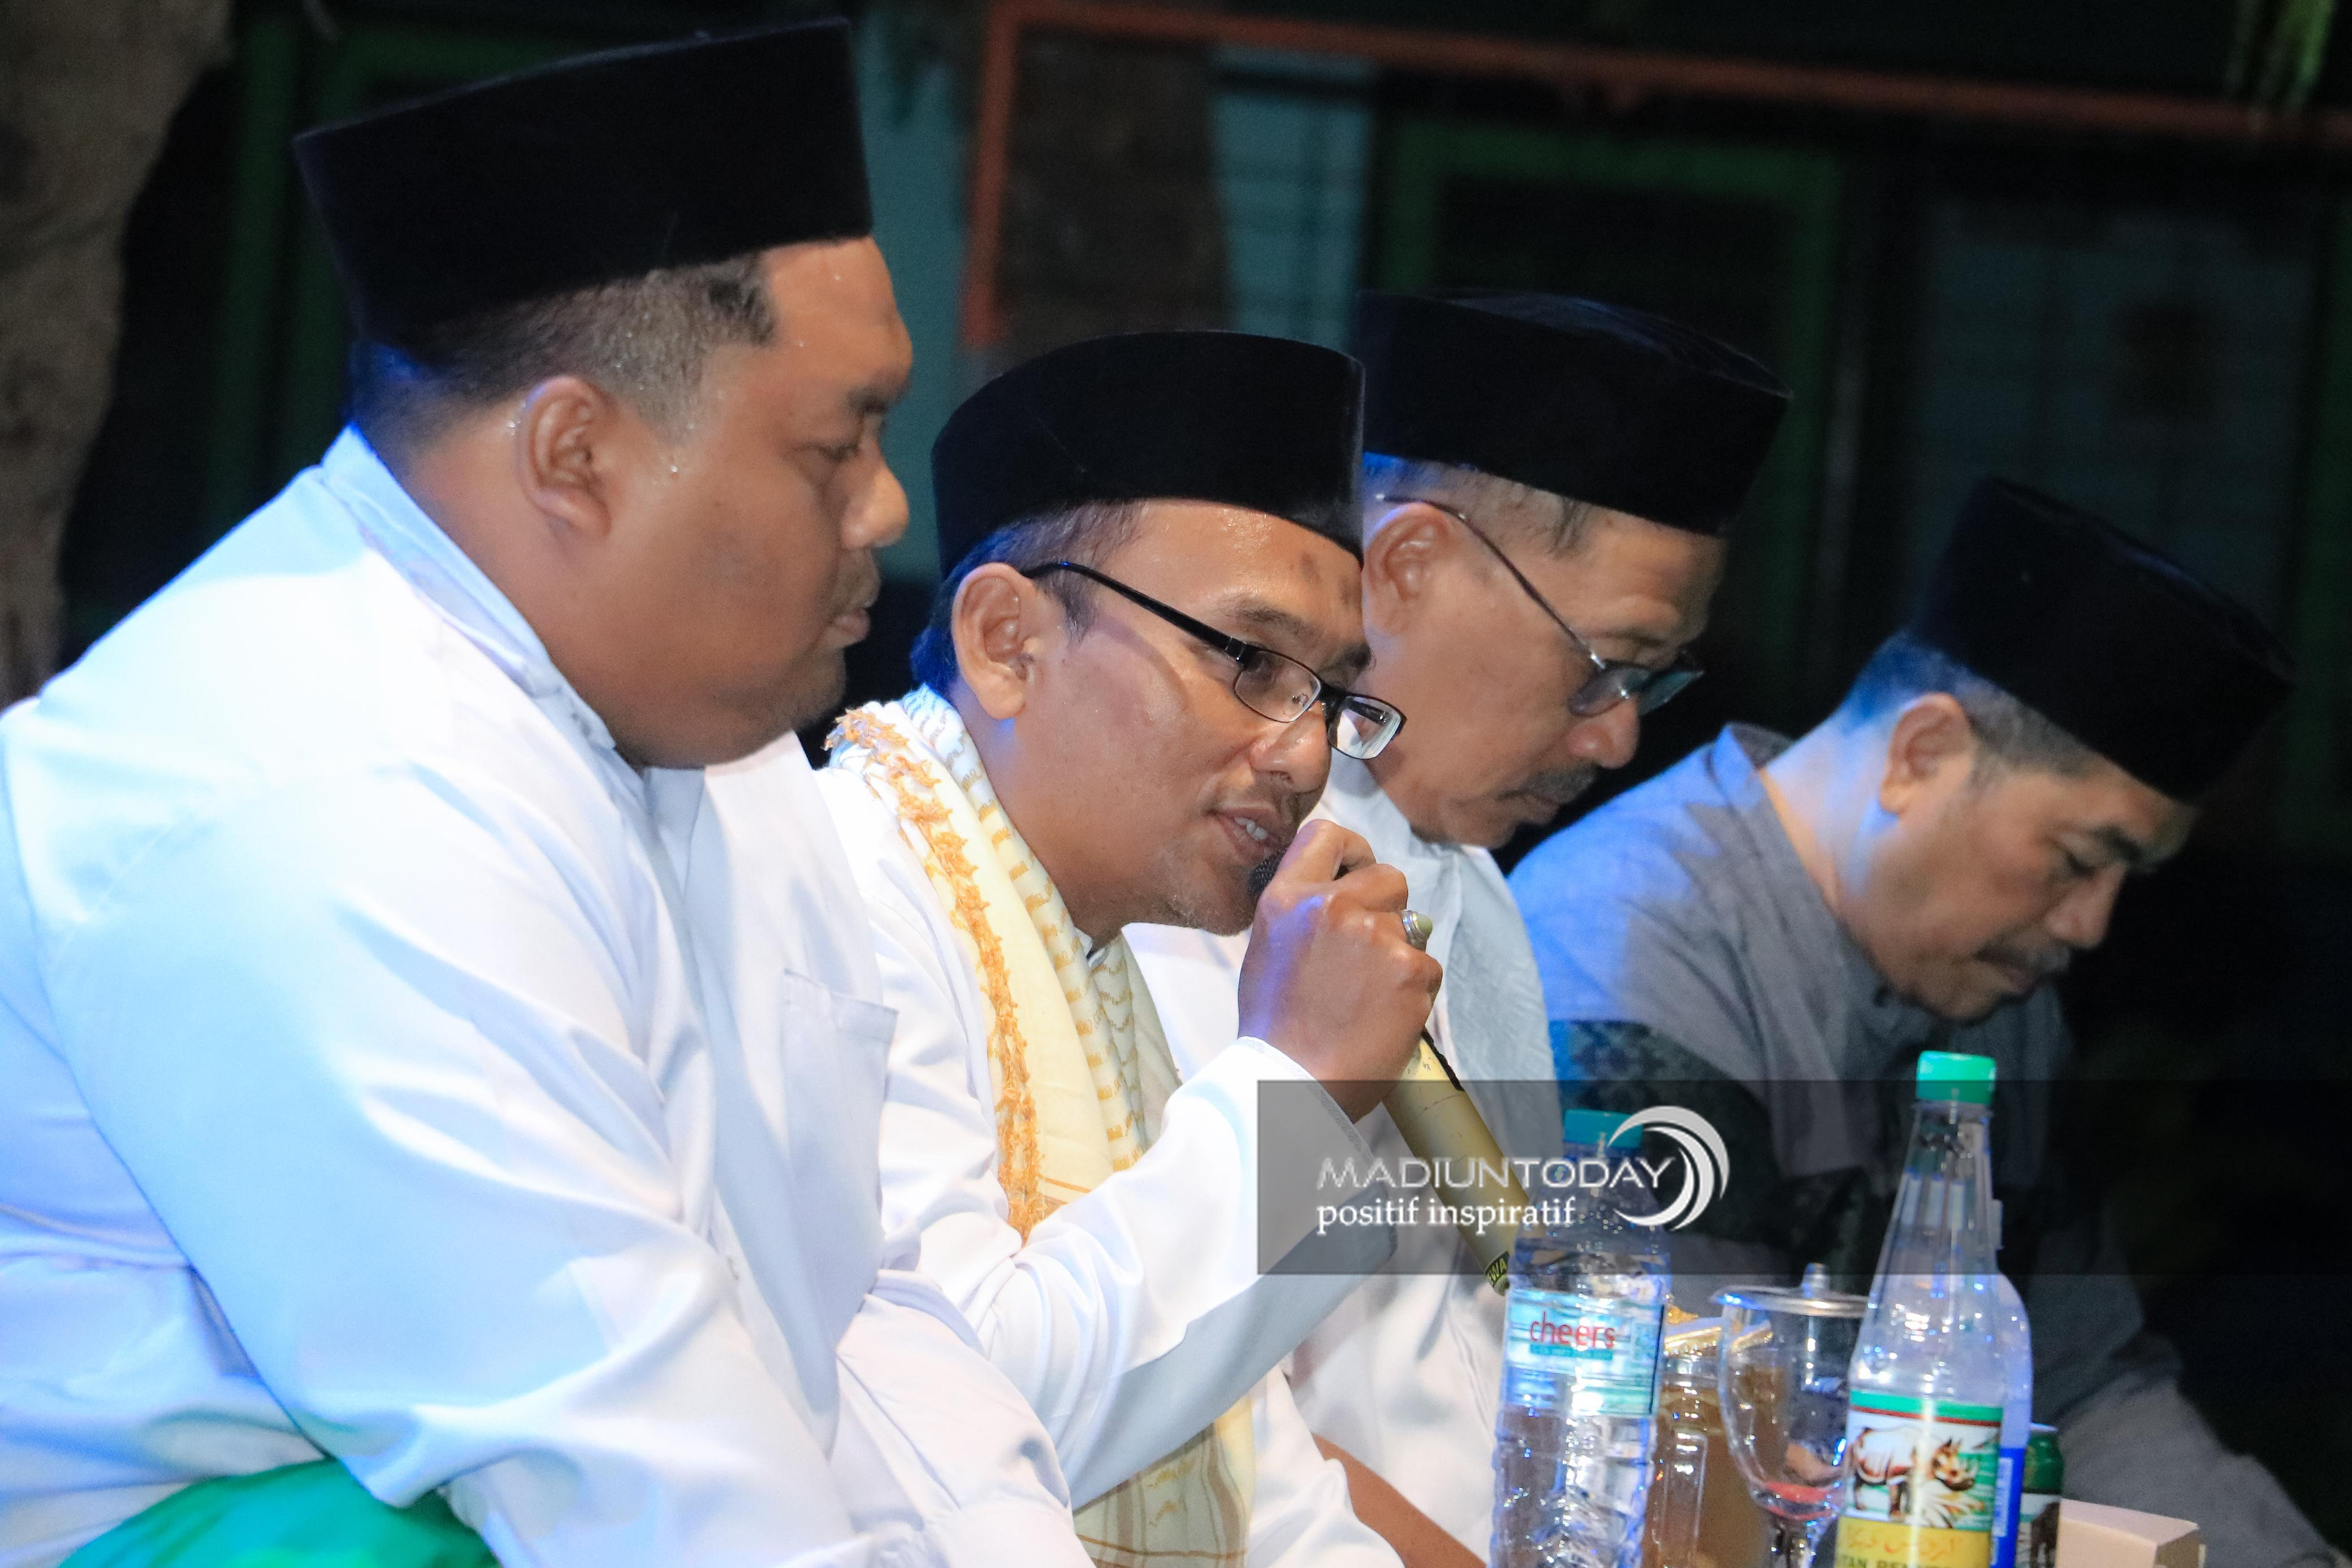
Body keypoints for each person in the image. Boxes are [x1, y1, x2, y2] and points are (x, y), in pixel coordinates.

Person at [0, 25, 1092, 1567]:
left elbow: (866, 1315)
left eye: (1327, 674)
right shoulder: (333, 797)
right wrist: (1296, 1112)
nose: (888, 504)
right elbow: (646, 1461)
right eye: (836, 443)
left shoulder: (719, 741)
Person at [1512, 478, 2331, 1568]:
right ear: (1923, 753)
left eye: (2126, 880)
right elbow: (1699, 1442)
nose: (2088, 926)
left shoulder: (1998, 994)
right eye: (2076, 860)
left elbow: (2083, 1381)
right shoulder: (1632, 945)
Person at [1129, 289, 1791, 1565]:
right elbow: (1201, 1406)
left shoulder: (1472, 881)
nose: (1619, 734)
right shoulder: (1223, 861)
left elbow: (1509, 1325)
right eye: (1602, 665)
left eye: (1652, 681)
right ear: (1409, 566)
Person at [814, 329, 1442, 1568]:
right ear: (1009, 642)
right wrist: (1302, 1091)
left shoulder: (1126, 949)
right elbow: (960, 1431)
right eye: (1250, 660)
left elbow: (1253, 1481)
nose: (1305, 755)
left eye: (1329, 693)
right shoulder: (842, 889)